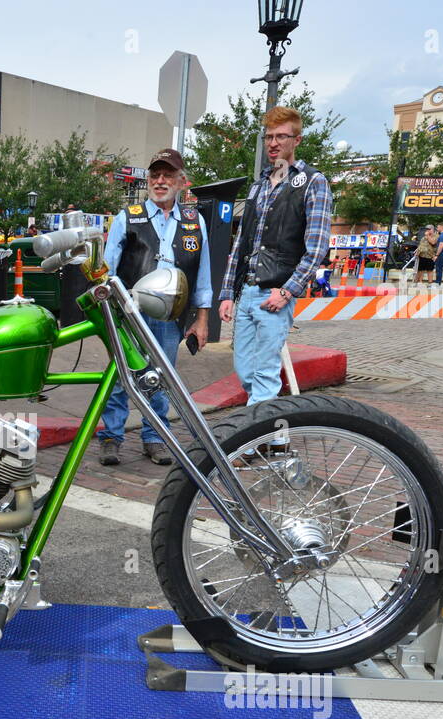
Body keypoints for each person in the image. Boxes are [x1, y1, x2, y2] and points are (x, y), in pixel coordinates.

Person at [218, 105, 333, 437]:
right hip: (248, 291)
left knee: (265, 373)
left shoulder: (313, 182)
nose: (273, 143)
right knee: (246, 372)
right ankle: (275, 436)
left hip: (275, 292)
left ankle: (249, 444)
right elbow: (240, 246)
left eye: (281, 136)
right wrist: (228, 294)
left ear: (296, 139)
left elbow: (317, 247)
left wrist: (288, 291)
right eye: (268, 136)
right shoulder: (258, 186)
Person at [99, 147, 212, 467]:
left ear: (181, 182)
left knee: (161, 376)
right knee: (122, 375)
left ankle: (154, 437)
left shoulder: (195, 221)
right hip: (130, 312)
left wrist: (201, 319)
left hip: (170, 315)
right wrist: (111, 310)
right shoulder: (128, 217)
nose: (160, 181)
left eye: (168, 176)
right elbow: (107, 269)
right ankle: (111, 437)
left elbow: (202, 274)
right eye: (155, 175)